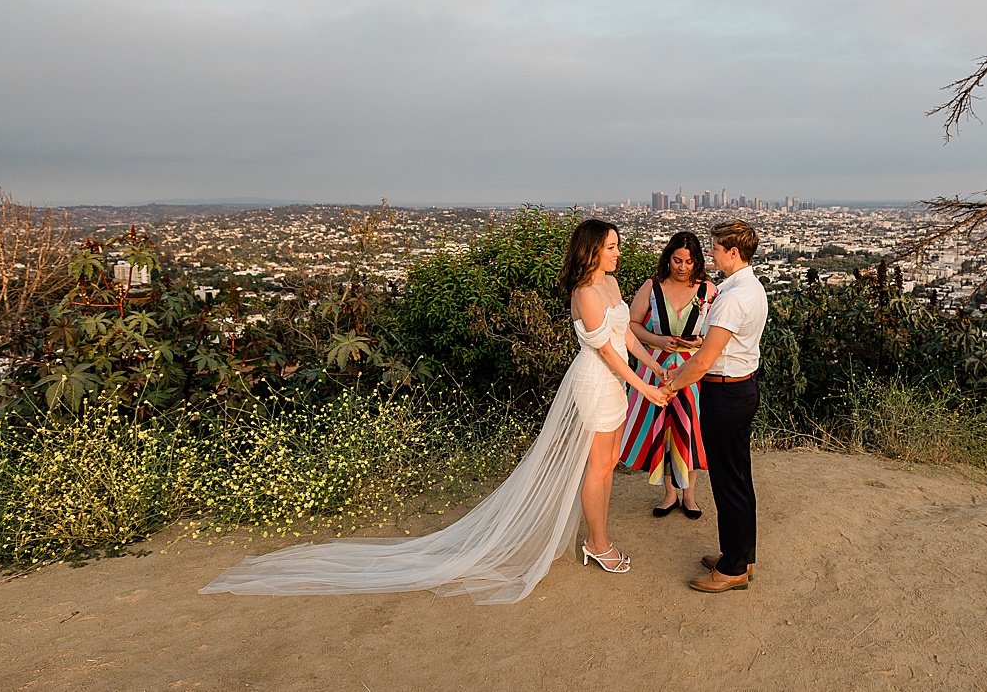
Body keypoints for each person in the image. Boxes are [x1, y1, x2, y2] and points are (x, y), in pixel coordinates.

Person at [200, 219, 669, 603]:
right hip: (596, 381)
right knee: (596, 466)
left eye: (617, 247)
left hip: (619, 381)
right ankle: (598, 543)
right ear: (591, 251)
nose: (617, 253)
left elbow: (626, 338)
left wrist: (651, 370)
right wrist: (643, 389)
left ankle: (596, 540)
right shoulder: (586, 293)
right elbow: (606, 352)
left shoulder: (610, 284)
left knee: (607, 464)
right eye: (611, 247)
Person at [664, 220, 767, 593]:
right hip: (741, 387)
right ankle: (740, 554)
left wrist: (672, 385)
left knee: (728, 481)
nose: (711, 254)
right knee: (739, 477)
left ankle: (733, 567)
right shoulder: (751, 288)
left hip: (725, 393)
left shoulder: (732, 296)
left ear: (733, 252)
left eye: (716, 249)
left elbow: (705, 360)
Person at [619, 231, 718, 519]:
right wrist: (658, 340)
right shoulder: (651, 286)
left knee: (691, 431)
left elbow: (716, 333)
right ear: (668, 258)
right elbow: (632, 325)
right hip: (656, 368)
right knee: (662, 430)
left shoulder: (709, 290)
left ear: (696, 261)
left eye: (689, 261)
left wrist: (698, 343)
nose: (683, 267)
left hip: (692, 370)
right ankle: (669, 494)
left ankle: (690, 496)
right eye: (677, 260)